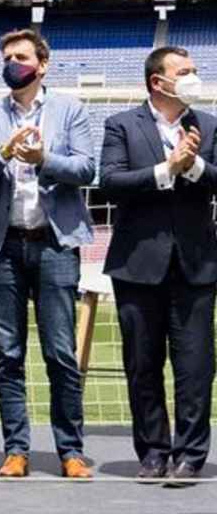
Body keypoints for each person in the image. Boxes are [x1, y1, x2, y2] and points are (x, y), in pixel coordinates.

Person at [0, 28, 95, 479]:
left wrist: (44, 158)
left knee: (60, 352)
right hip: (3, 247)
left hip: (55, 243)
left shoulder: (70, 110)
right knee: (9, 353)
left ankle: (71, 451)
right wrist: (1, 156)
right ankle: (16, 449)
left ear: (42, 64)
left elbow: (86, 167)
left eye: (20, 56)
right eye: (6, 57)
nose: (12, 63)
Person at [100, 46, 217, 485]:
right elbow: (110, 181)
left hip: (196, 265)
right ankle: (152, 452)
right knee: (142, 365)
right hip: (137, 266)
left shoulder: (208, 125)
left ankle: (189, 456)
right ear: (157, 82)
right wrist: (166, 169)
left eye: (194, 71)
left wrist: (195, 166)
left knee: (195, 367)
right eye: (184, 71)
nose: (193, 77)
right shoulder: (121, 125)